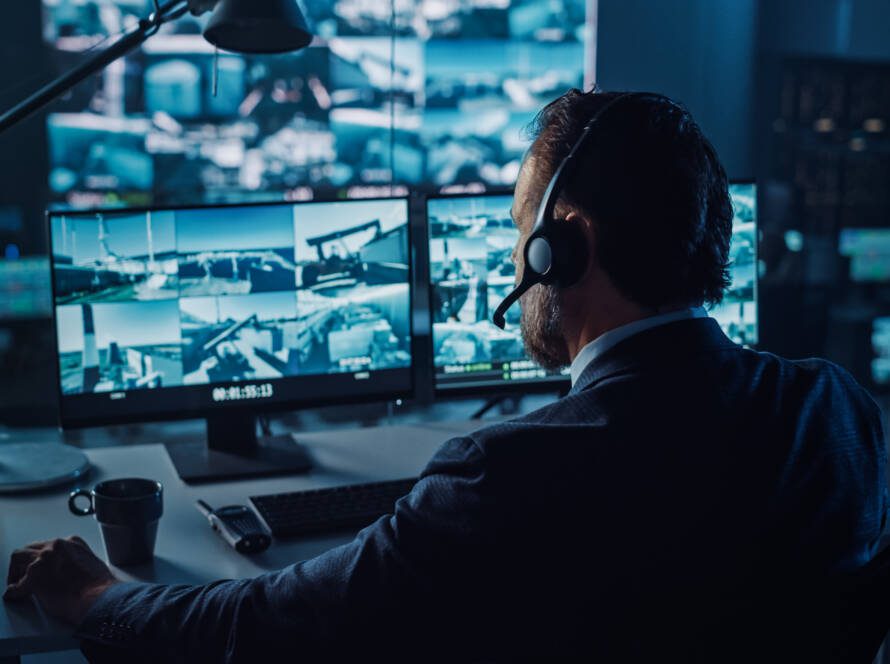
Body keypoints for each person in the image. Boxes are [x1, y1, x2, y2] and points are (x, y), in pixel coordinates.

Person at [6, 90, 887, 662]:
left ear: (560, 246)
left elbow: (267, 630)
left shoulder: (508, 474)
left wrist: (98, 599)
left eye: (517, 231)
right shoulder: (840, 413)